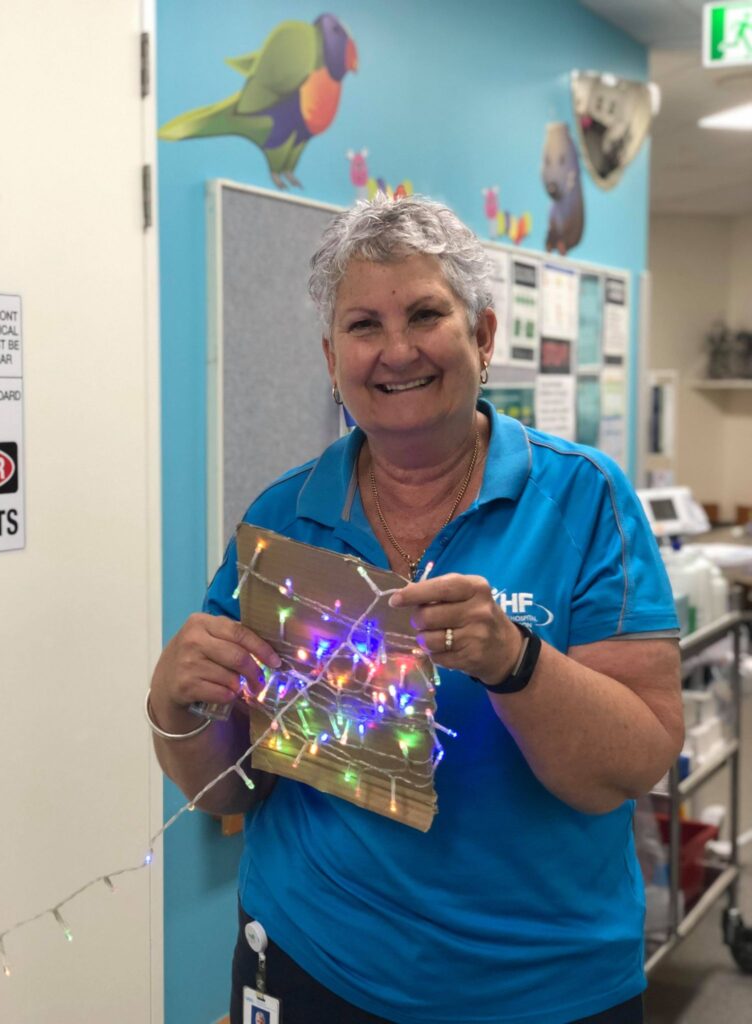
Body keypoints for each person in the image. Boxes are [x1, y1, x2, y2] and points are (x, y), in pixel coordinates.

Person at [148, 195, 683, 1024]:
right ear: (333, 358)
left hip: (541, 981)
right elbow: (228, 790)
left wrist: (518, 661)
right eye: (364, 325)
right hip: (311, 955)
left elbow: (635, 762)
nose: (397, 351)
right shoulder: (286, 517)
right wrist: (172, 700)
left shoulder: (585, 498)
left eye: (427, 314)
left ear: (485, 335)